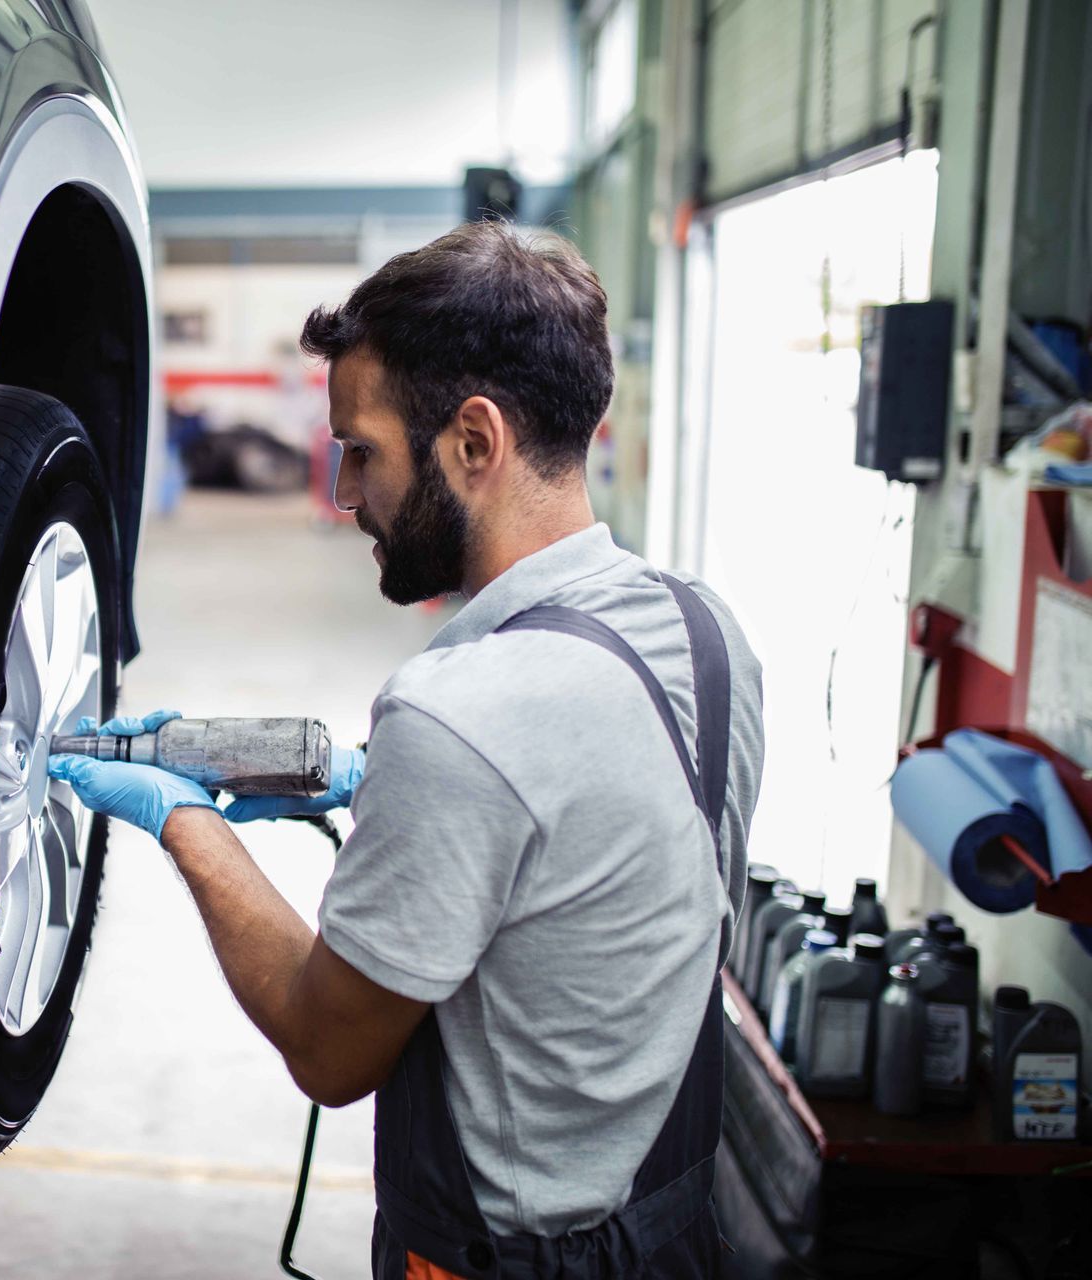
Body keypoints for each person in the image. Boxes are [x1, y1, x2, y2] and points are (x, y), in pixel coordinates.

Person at [51, 222, 765, 1279]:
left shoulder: (457, 716)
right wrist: (370, 779)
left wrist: (185, 822)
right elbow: (585, 835)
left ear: (474, 441)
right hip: (673, 1234)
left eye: (363, 451)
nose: (346, 495)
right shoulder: (706, 631)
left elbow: (327, 1050)